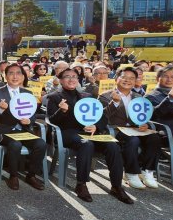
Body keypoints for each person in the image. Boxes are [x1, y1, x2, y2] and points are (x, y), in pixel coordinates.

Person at [46, 68, 133, 204]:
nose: (71, 79)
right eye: (67, 77)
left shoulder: (87, 96)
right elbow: (51, 120)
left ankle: (116, 186)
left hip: (90, 131)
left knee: (112, 145)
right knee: (86, 144)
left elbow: (101, 116)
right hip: (68, 132)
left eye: (74, 76)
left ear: (78, 80)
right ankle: (81, 184)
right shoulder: (54, 97)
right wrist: (61, 111)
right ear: (61, 80)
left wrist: (96, 126)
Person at [97, 67, 162, 189]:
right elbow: (101, 117)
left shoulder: (139, 97)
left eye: (132, 78)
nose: (128, 80)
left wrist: (144, 124)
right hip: (116, 130)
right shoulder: (105, 96)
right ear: (116, 78)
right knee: (133, 140)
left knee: (155, 138)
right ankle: (131, 173)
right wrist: (114, 103)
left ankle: (147, 171)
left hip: (136, 129)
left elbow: (143, 116)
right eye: (124, 77)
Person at [0, 64, 46, 190]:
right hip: (4, 131)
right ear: (5, 75)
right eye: (11, 73)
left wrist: (29, 120)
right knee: (15, 144)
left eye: (18, 73)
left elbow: (33, 114)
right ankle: (13, 176)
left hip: (23, 130)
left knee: (41, 144)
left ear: (22, 76)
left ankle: (31, 175)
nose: (15, 76)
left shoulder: (28, 93)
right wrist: (0, 109)